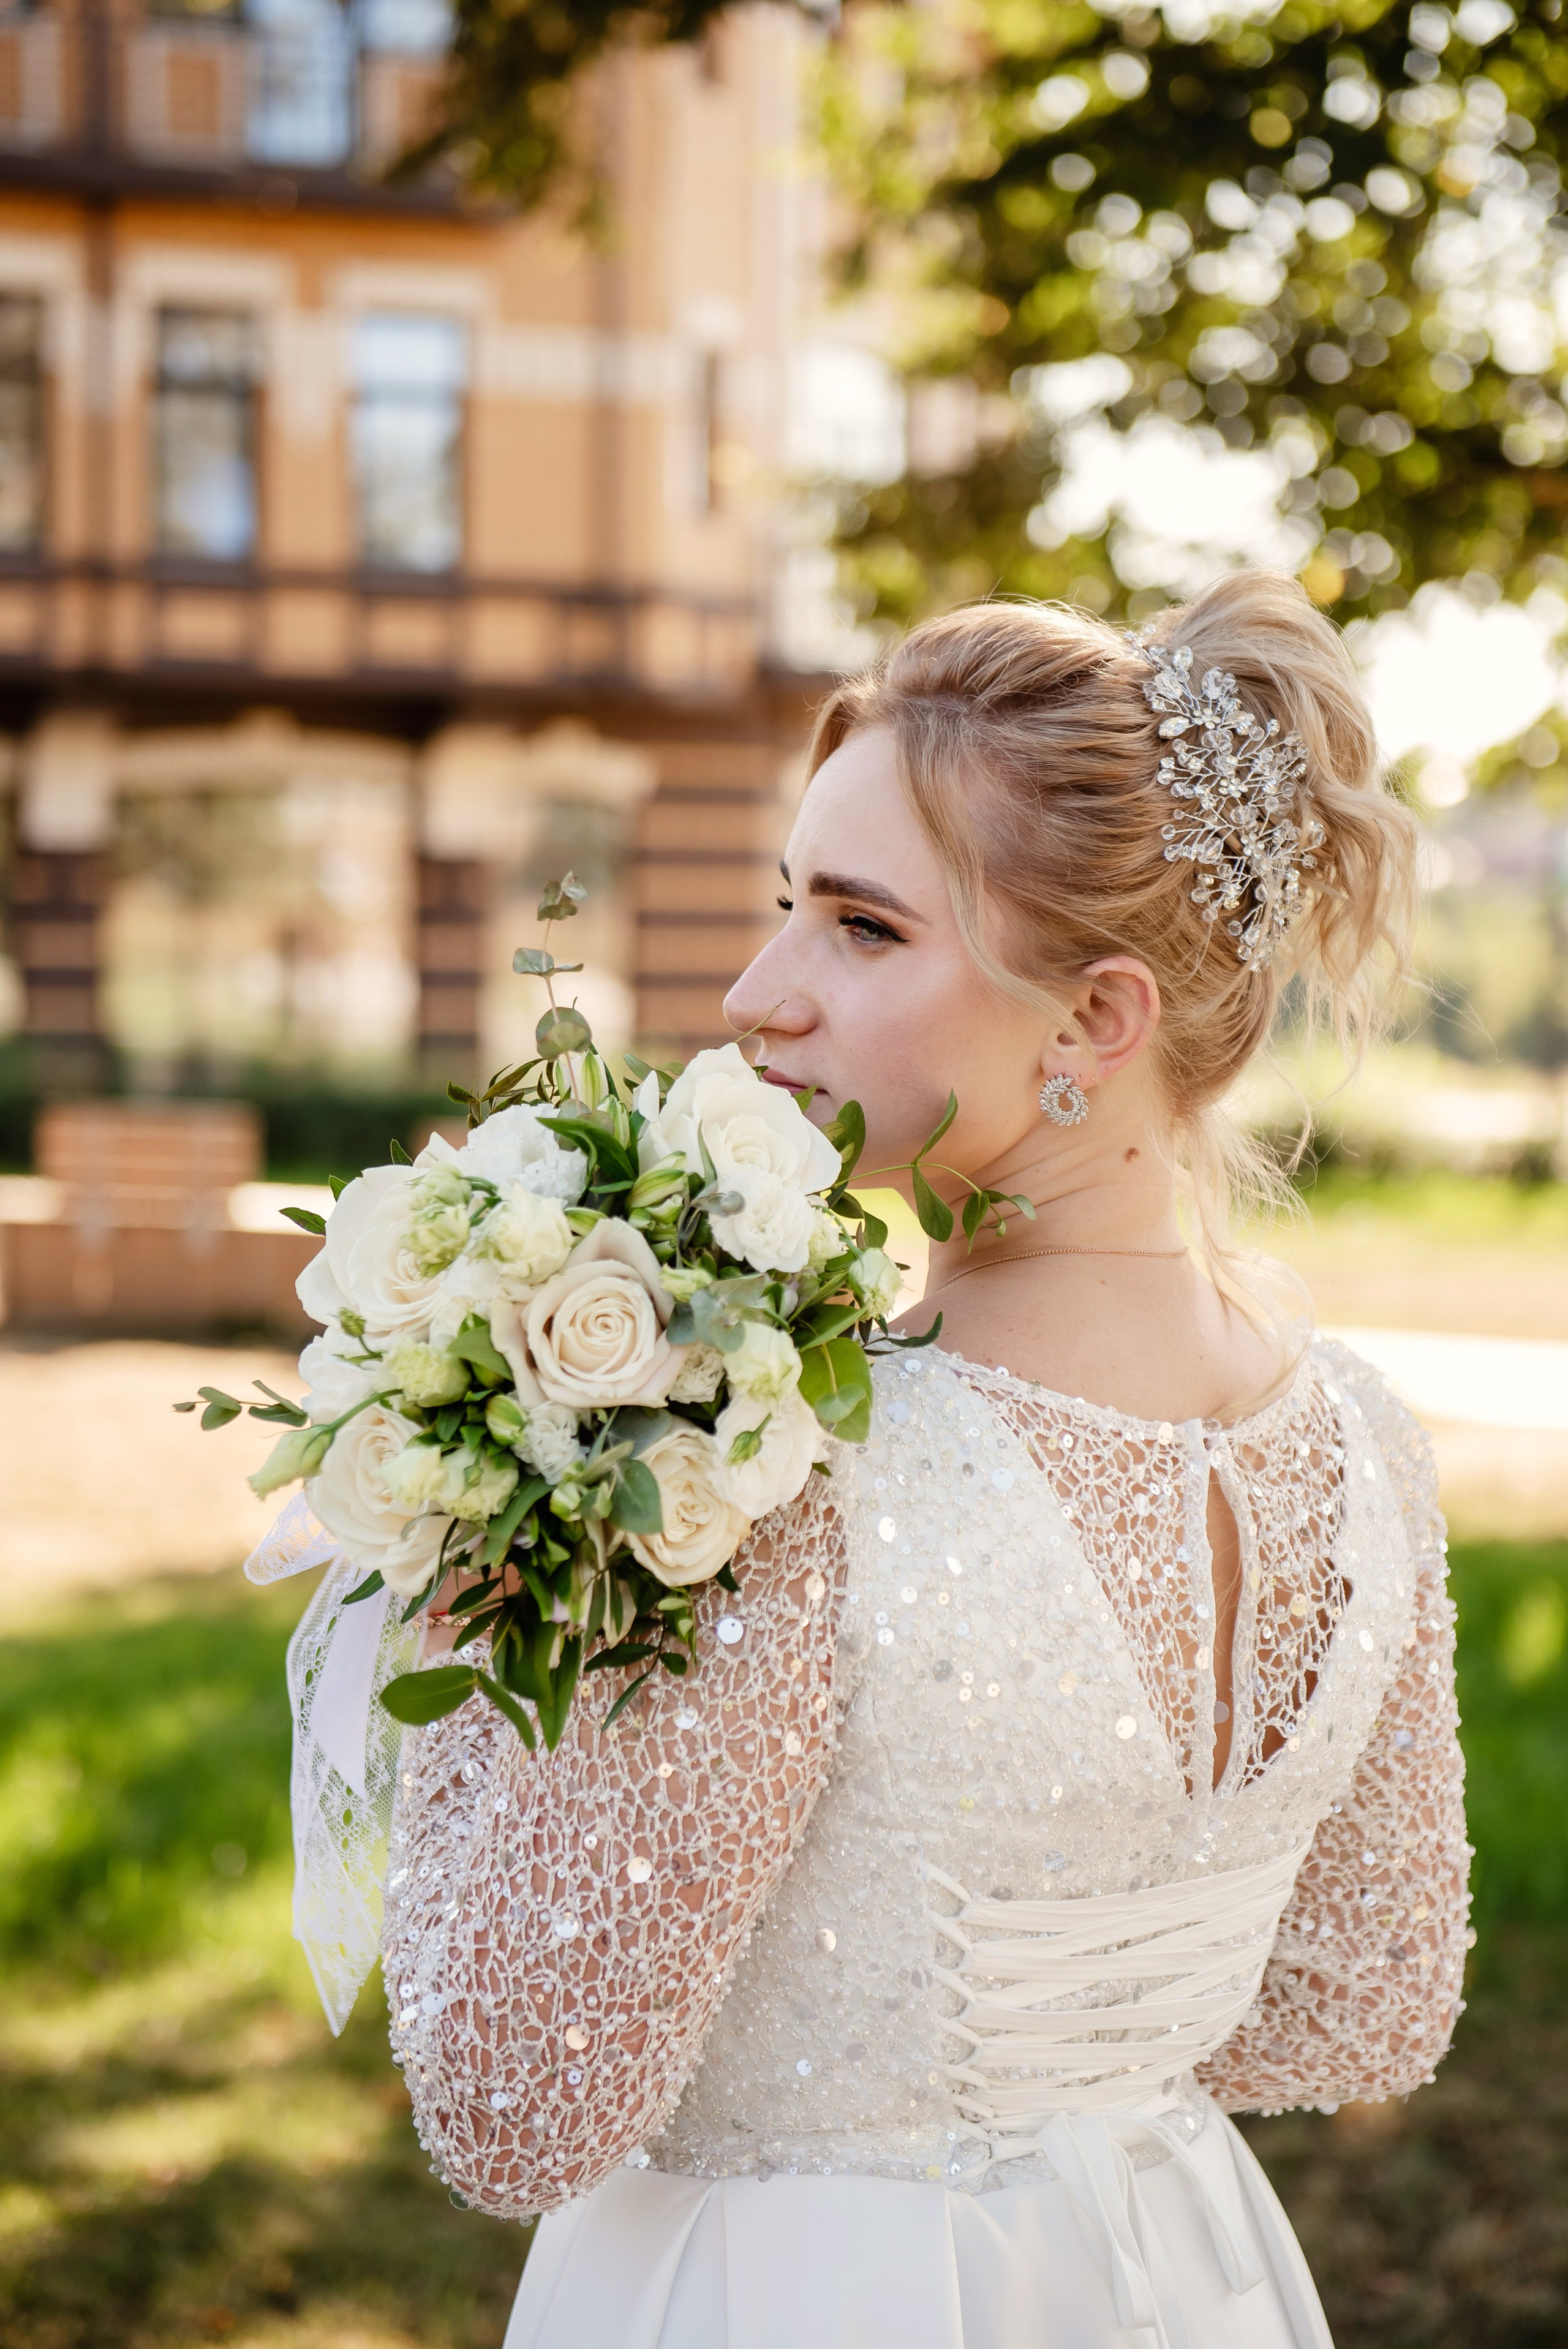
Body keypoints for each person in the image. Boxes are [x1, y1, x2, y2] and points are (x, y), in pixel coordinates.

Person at [383, 571, 1469, 2349]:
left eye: (862, 930)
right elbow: (1354, 2014)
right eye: (785, 906)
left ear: (1099, 1023)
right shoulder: (1365, 1449)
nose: (754, 995)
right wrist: (1077, 2064)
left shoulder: (778, 1473)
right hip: (1165, 2273)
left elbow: (519, 2105)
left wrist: (472, 1615)